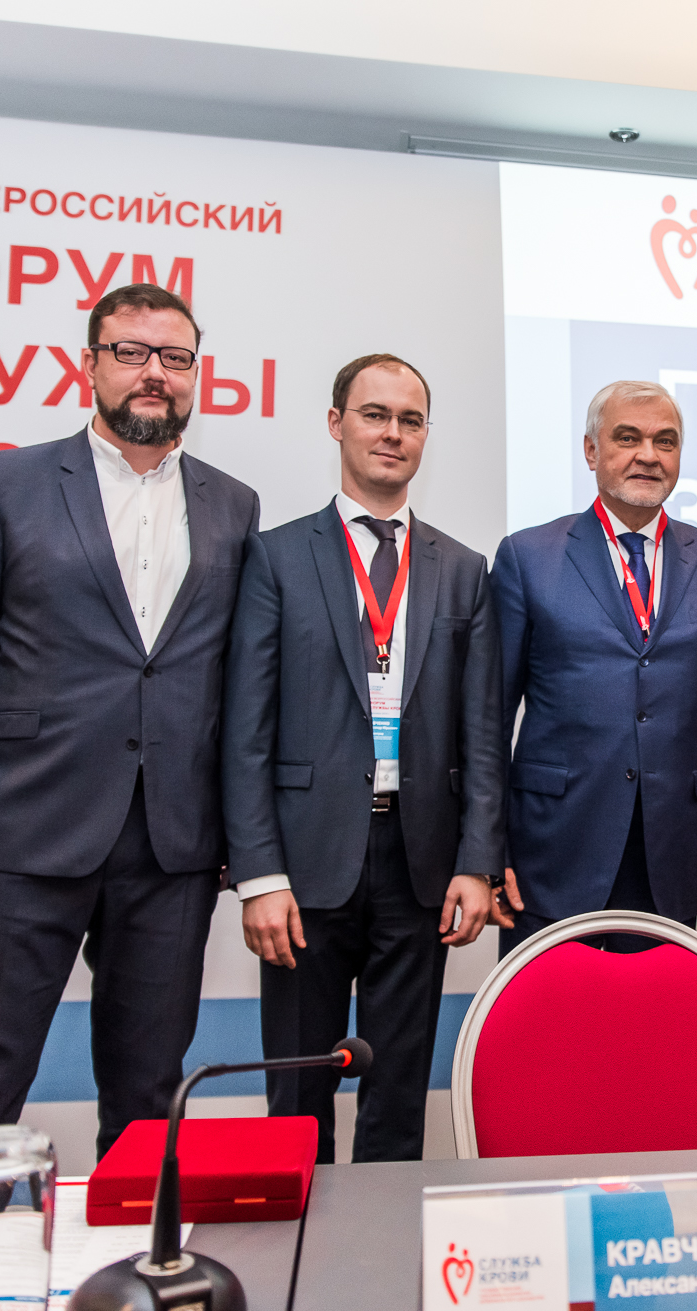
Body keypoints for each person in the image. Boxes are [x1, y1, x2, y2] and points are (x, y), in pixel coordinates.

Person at [0, 284, 260, 1176]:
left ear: (196, 374)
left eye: (174, 357)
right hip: (20, 839)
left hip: (173, 849)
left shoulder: (234, 505)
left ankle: (135, 1255)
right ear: (89, 365)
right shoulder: (8, 484)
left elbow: (233, 686)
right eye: (131, 352)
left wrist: (241, 842)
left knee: (149, 1101)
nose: (154, 372)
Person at [221, 353, 504, 1164]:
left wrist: (478, 862)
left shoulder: (463, 569)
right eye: (375, 414)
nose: (392, 433)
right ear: (337, 422)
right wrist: (259, 874)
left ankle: (383, 1238)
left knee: (398, 1093)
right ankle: (297, 1238)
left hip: (420, 863)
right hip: (304, 865)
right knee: (296, 1096)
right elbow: (245, 730)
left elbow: (483, 733)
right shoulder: (275, 556)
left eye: (410, 420)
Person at [490, 380, 697, 950]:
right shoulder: (527, 557)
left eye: (665, 441)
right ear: (591, 451)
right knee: (552, 1009)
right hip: (551, 850)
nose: (648, 455)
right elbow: (487, 720)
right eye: (627, 438)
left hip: (676, 853)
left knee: (656, 1009)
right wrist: (488, 851)